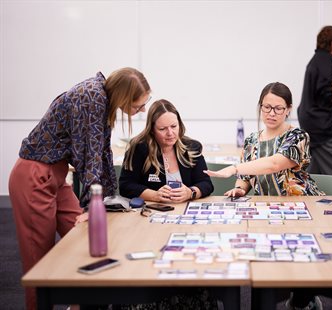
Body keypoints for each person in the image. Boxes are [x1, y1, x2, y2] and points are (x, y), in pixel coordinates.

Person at [8, 67, 151, 310]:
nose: (142, 110)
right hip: (34, 176)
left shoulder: (102, 99)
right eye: (138, 106)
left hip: (56, 175)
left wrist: (110, 200)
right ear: (125, 97)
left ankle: (78, 304)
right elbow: (89, 158)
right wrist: (91, 205)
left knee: (89, 240)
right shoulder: (92, 97)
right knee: (39, 262)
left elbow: (103, 152)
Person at [204, 82, 323, 199]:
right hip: (266, 206)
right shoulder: (251, 140)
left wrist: (234, 168)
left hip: (301, 204)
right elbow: (245, 177)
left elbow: (274, 165)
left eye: (278, 108)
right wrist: (240, 189)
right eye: (267, 107)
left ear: (288, 109)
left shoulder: (298, 136)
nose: (271, 113)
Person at [119, 99, 213, 203]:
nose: (170, 133)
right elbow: (126, 186)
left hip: (182, 210)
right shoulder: (138, 148)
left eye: (174, 126)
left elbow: (206, 183)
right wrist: (154, 195)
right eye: (162, 129)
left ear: (180, 125)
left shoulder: (192, 147)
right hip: (151, 211)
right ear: (152, 130)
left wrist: (190, 193)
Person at [297, 25, 332, 194]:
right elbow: (328, 92)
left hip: (313, 124)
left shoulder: (317, 61)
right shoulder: (325, 62)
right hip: (324, 128)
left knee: (315, 175)